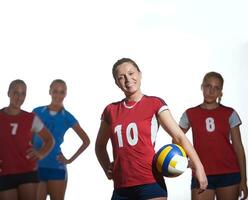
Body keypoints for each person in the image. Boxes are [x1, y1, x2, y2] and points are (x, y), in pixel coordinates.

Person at [95, 58, 208, 200]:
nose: (128, 79)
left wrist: (199, 166)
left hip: (150, 183)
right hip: (121, 187)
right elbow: (99, 146)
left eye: (131, 73)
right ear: (117, 83)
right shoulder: (110, 110)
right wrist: (107, 167)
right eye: (121, 77)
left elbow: (179, 136)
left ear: (140, 74)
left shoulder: (154, 103)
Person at [179, 71, 248, 200]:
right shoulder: (190, 113)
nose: (211, 91)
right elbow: (177, 139)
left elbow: (238, 147)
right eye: (208, 86)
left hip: (229, 173)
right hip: (201, 173)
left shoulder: (230, 113)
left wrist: (244, 179)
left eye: (216, 88)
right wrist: (186, 161)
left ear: (221, 92)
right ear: (202, 87)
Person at [32, 79, 90, 200]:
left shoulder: (68, 117)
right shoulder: (37, 112)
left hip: (56, 166)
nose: (58, 95)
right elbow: (27, 136)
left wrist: (69, 160)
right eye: (55, 91)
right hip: (37, 165)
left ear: (65, 94)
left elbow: (86, 140)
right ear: (50, 91)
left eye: (61, 92)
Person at [0, 79, 54, 200]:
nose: (19, 97)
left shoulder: (31, 118)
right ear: (8, 93)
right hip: (4, 172)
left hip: (27, 171)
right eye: (15, 93)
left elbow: (49, 139)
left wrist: (40, 154)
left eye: (23, 93)